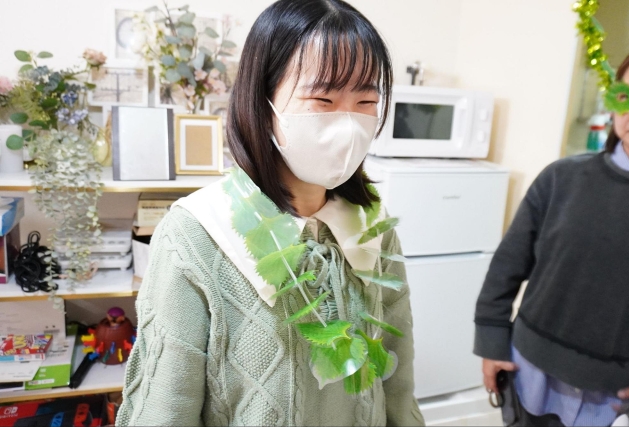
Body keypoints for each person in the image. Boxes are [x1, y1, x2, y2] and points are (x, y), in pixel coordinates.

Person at [115, 1, 425, 425]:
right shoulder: (196, 234)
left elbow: (398, 381)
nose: (349, 122)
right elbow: (164, 410)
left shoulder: (371, 224)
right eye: (323, 98)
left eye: (366, 100)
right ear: (263, 102)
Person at [474, 46, 629, 427]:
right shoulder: (560, 179)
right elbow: (506, 267)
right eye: (628, 97)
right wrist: (491, 339)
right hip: (531, 374)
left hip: (618, 399)